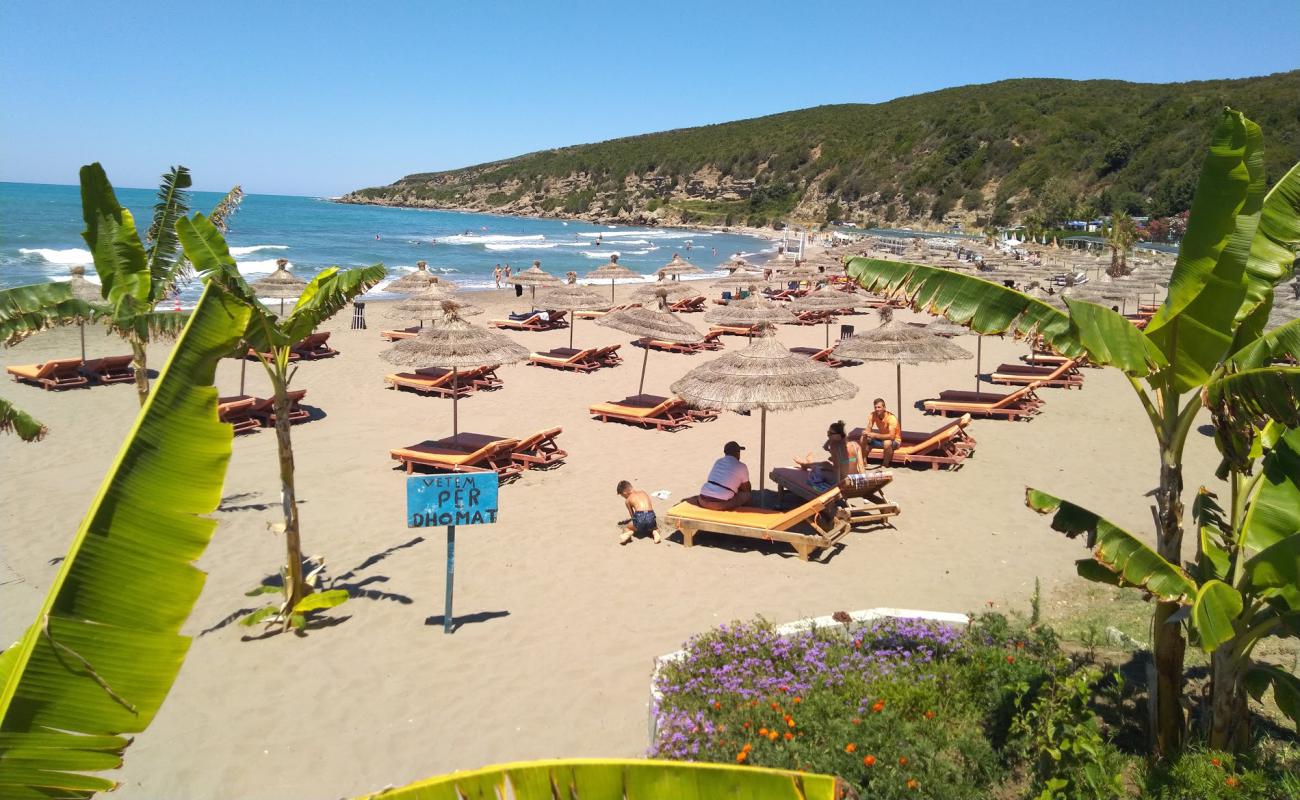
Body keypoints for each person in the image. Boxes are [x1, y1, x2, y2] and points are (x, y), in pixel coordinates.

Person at [796, 420, 865, 490]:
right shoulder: (855, 445)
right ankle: (806, 464)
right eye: (828, 432)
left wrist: (838, 486)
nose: (828, 434)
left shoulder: (834, 446)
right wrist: (864, 482)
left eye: (830, 433)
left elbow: (837, 468)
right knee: (825, 464)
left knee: (820, 468)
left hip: (843, 480)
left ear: (838, 435)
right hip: (854, 477)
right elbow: (861, 465)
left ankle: (805, 464)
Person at [697, 441, 752, 510]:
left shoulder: (718, 461)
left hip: (702, 499)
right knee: (746, 495)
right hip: (719, 504)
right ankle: (746, 514)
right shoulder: (741, 466)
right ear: (738, 453)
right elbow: (746, 489)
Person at [615, 480, 660, 544]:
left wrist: (631, 525)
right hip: (650, 514)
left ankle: (627, 534)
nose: (624, 497)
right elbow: (650, 505)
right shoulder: (643, 492)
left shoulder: (627, 500)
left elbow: (633, 517)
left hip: (640, 516)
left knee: (627, 528)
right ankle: (655, 533)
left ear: (624, 493)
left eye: (622, 496)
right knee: (655, 528)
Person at [862, 398, 901, 467]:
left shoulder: (891, 418)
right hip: (881, 439)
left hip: (895, 441)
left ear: (884, 408)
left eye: (879, 407)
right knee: (863, 438)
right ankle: (863, 460)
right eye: (875, 407)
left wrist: (874, 435)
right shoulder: (873, 415)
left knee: (887, 442)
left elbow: (891, 436)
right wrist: (866, 433)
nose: (877, 409)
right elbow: (869, 428)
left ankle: (885, 463)